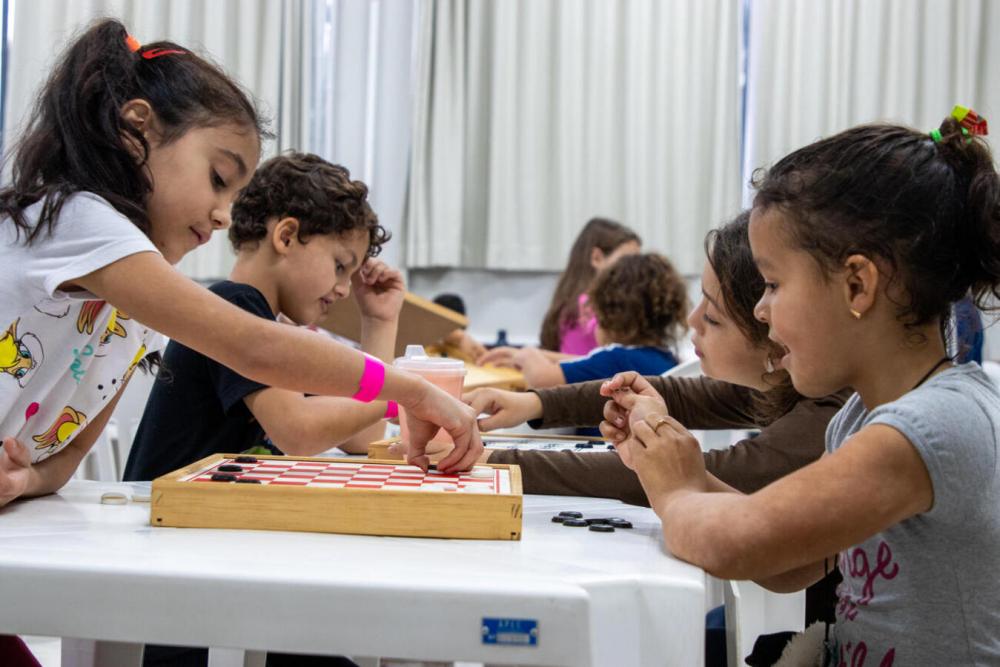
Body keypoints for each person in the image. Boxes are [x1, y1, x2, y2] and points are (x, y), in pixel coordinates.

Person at [0, 20, 481, 505]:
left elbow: (67, 455)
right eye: (217, 178)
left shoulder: (131, 315)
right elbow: (259, 349)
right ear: (134, 129)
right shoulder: (75, 219)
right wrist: (412, 391)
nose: (223, 215)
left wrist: (24, 480)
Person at [608, 110, 1000, 664]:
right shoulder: (858, 417)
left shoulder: (932, 428)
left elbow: (734, 543)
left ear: (858, 285)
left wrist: (673, 487)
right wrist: (674, 467)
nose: (760, 310)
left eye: (772, 283)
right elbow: (792, 564)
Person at [465, 212, 847, 629]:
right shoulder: (804, 391)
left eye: (713, 316)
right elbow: (680, 398)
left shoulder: (834, 415)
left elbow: (707, 479)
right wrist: (532, 404)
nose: (692, 320)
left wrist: (492, 460)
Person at [124, 153, 400, 487]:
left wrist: (379, 321)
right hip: (161, 512)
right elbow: (298, 431)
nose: (344, 290)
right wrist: (400, 396)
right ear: (286, 237)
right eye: (340, 266)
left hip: (200, 512)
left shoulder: (273, 327)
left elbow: (363, 438)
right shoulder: (236, 306)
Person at [487, 253, 687, 392]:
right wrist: (544, 355)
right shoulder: (664, 357)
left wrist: (527, 354)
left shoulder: (614, 359)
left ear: (609, 316)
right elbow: (583, 361)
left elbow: (541, 379)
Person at [478, 216, 641, 366]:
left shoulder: (571, 299)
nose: (635, 268)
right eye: (627, 261)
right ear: (597, 258)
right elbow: (598, 364)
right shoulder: (588, 305)